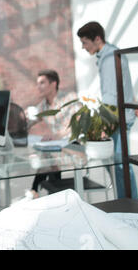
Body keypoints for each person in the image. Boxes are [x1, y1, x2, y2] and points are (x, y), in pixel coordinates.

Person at [77, 21, 138, 199]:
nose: (83, 47)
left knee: (120, 164)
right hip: (118, 115)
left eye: (85, 42)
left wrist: (102, 126)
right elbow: (123, 84)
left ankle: (130, 204)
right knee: (116, 163)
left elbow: (110, 94)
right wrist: (134, 103)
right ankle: (126, 200)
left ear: (97, 38)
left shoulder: (109, 58)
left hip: (116, 118)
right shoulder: (110, 53)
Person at [27, 70, 79, 198]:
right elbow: (29, 123)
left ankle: (35, 192)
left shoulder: (70, 98)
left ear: (53, 83)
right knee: (47, 155)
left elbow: (79, 123)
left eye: (42, 83)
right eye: (37, 83)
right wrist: (22, 121)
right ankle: (52, 195)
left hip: (75, 146)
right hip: (57, 149)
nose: (38, 86)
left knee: (48, 157)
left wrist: (59, 135)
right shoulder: (43, 106)